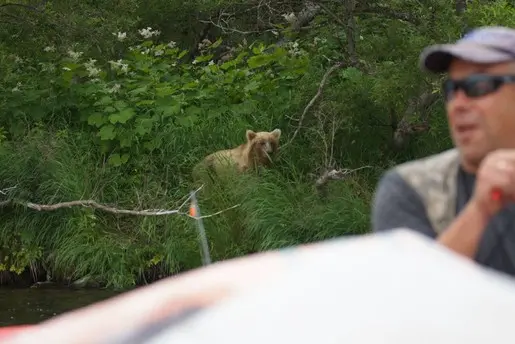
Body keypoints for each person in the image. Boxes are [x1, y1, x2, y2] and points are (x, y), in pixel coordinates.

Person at [371, 26, 515, 276]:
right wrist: (482, 208)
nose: (458, 105)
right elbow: (408, 301)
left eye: (478, 86)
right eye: (451, 90)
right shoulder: (413, 189)